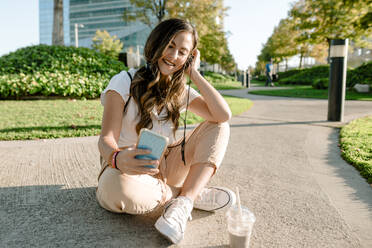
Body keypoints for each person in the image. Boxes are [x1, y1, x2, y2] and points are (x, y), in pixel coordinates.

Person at [96, 18, 236, 244]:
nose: (174, 56)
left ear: (189, 57)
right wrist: (117, 158)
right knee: (116, 189)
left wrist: (195, 74)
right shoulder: (123, 82)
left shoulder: (179, 91)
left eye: (183, 51)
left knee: (219, 126)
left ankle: (183, 201)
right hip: (125, 169)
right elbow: (106, 139)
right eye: (170, 45)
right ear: (157, 43)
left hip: (168, 164)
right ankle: (188, 194)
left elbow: (222, 115)